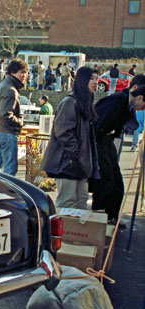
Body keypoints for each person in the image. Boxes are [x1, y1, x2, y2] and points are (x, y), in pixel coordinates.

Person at [40, 67, 100, 210]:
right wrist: (77, 153)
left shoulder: (85, 103)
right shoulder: (70, 102)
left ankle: (75, 232)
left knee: (82, 201)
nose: (95, 82)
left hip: (79, 164)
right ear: (82, 80)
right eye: (92, 79)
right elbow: (62, 132)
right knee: (67, 202)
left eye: (97, 79)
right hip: (68, 163)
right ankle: (63, 232)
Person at [90, 76, 145, 226]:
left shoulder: (128, 105)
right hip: (98, 140)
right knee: (105, 180)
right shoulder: (118, 100)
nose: (143, 109)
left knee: (117, 183)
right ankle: (98, 217)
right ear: (140, 96)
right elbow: (97, 123)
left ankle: (111, 216)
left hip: (107, 141)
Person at [0, 58, 28, 175]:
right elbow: (5, 114)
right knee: (10, 170)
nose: (24, 75)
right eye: (21, 72)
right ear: (12, 72)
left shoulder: (2, 85)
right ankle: (6, 193)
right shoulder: (11, 90)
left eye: (26, 72)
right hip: (7, 133)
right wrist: (19, 122)